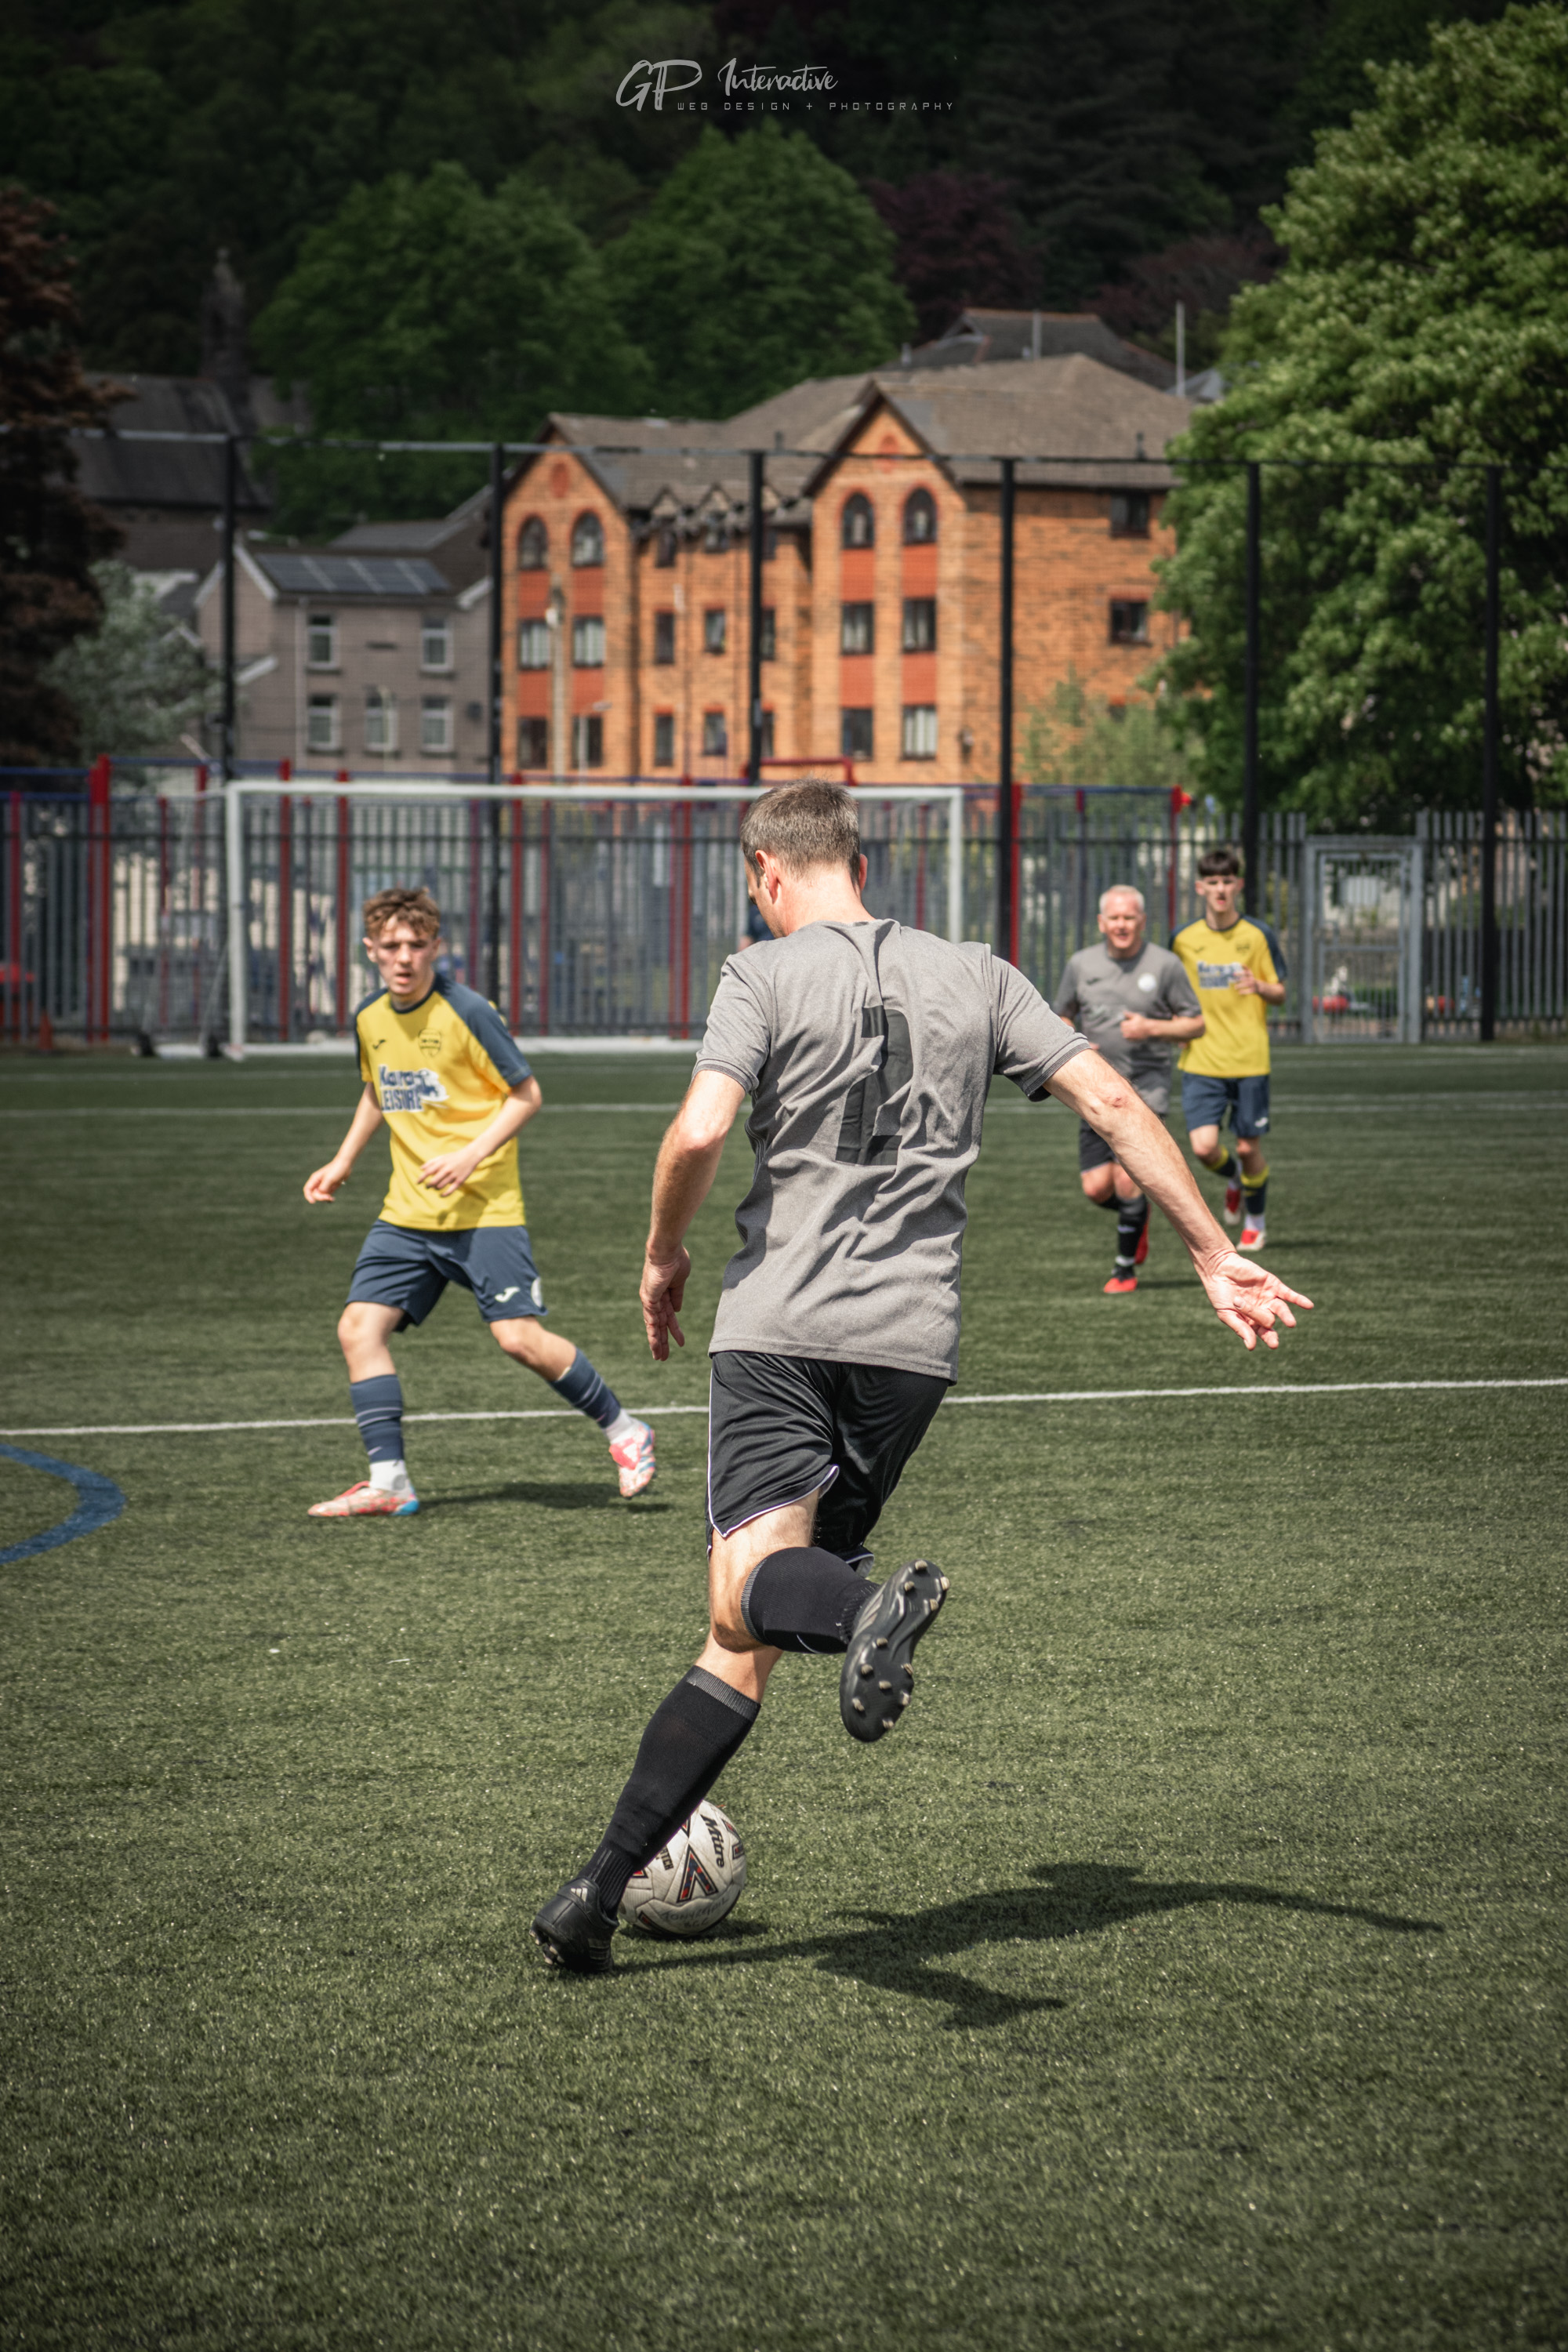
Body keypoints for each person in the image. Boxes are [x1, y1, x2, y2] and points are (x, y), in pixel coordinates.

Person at [530, 780, 1312, 1974]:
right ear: (859, 859)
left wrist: (660, 1257)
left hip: (782, 1326)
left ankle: (862, 1616)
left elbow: (695, 1132)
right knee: (742, 1627)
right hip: (911, 1350)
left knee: (751, 1595)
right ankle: (592, 1892)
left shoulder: (760, 972)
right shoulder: (980, 973)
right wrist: (1213, 1251)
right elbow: (1106, 1097)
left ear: (767, 873)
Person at [301, 886, 655, 1516]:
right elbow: (378, 1091)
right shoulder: (370, 1018)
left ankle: (625, 1429)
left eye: (416, 945)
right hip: (406, 1215)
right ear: (370, 951)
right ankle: (390, 1481)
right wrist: (342, 1160)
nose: (404, 957)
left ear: (437, 947)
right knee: (358, 1328)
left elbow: (526, 1094)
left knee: (519, 1340)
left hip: (484, 1211)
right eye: (391, 947)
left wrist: (469, 1156)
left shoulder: (468, 1010)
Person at [1054, 884, 1205, 1294]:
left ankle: (1124, 1269)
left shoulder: (1166, 965)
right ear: (1102, 923)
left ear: (1142, 921)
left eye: (1130, 918)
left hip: (1146, 1089)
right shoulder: (1081, 964)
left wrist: (1152, 1028)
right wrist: (1077, 1042)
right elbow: (1060, 1018)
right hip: (1094, 1088)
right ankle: (1138, 1212)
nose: (1122, 925)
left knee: (1127, 1180)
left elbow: (1195, 1023)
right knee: (1096, 1188)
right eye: (1114, 918)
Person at [1171, 848, 1288, 1252]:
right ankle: (1237, 1177)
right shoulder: (1184, 940)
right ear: (1200, 886)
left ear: (1237, 885)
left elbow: (1281, 992)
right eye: (1213, 882)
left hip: (1249, 1058)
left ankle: (1255, 1220)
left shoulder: (1257, 936)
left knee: (1247, 1145)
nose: (1220, 889)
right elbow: (1174, 989)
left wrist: (1260, 987)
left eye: (1227, 881)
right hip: (1202, 1059)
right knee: (1204, 1148)